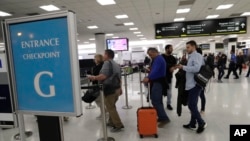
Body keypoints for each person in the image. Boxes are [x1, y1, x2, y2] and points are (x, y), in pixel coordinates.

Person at [88, 49, 124, 132]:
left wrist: (93, 77)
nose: (103, 56)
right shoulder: (115, 64)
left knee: (110, 107)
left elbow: (103, 76)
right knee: (112, 106)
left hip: (110, 89)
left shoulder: (107, 63)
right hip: (116, 88)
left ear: (107, 55)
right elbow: (119, 77)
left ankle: (118, 124)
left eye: (104, 54)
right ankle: (111, 122)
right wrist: (121, 88)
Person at [176, 40, 207, 134]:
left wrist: (183, 67)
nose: (187, 48)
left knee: (191, 105)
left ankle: (201, 123)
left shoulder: (196, 55)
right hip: (191, 84)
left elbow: (196, 68)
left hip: (195, 85)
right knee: (193, 105)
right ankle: (192, 124)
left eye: (188, 47)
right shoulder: (191, 56)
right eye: (187, 47)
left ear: (194, 47)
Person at [142, 48, 170, 128]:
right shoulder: (157, 59)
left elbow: (155, 71)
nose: (150, 56)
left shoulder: (158, 59)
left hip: (158, 82)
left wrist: (148, 77)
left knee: (156, 101)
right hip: (157, 81)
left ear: (155, 52)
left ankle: (164, 118)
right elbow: (154, 70)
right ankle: (161, 117)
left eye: (150, 54)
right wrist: (149, 72)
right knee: (158, 101)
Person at [162, 44, 177, 110]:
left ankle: (168, 104)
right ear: (166, 49)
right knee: (161, 91)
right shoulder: (161, 57)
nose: (172, 49)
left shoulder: (173, 58)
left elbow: (175, 66)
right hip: (161, 77)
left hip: (169, 77)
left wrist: (173, 68)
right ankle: (160, 104)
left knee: (169, 91)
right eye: (171, 48)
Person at [91, 54, 104, 119]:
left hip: (98, 85)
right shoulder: (101, 65)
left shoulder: (99, 67)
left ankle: (103, 113)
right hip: (98, 84)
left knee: (99, 100)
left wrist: (92, 77)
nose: (94, 60)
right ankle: (104, 112)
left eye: (95, 58)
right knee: (99, 100)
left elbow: (96, 75)